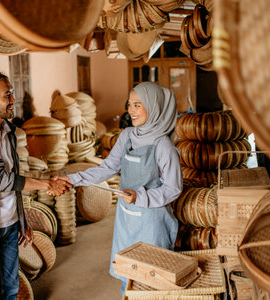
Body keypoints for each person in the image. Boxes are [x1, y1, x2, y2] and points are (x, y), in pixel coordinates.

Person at [0, 71, 72, 300]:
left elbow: (15, 178)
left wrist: (21, 218)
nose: (12, 99)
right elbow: (0, 179)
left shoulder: (8, 132)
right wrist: (46, 184)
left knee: (9, 290)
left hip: (9, 226)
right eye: (6, 94)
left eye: (11, 93)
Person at [55, 81, 182, 294]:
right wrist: (72, 179)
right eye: (130, 104)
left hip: (153, 223)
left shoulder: (163, 145)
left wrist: (140, 197)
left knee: (151, 282)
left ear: (154, 106)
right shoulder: (127, 136)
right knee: (127, 277)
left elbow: (173, 189)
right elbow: (107, 169)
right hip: (127, 218)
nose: (131, 110)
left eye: (138, 105)